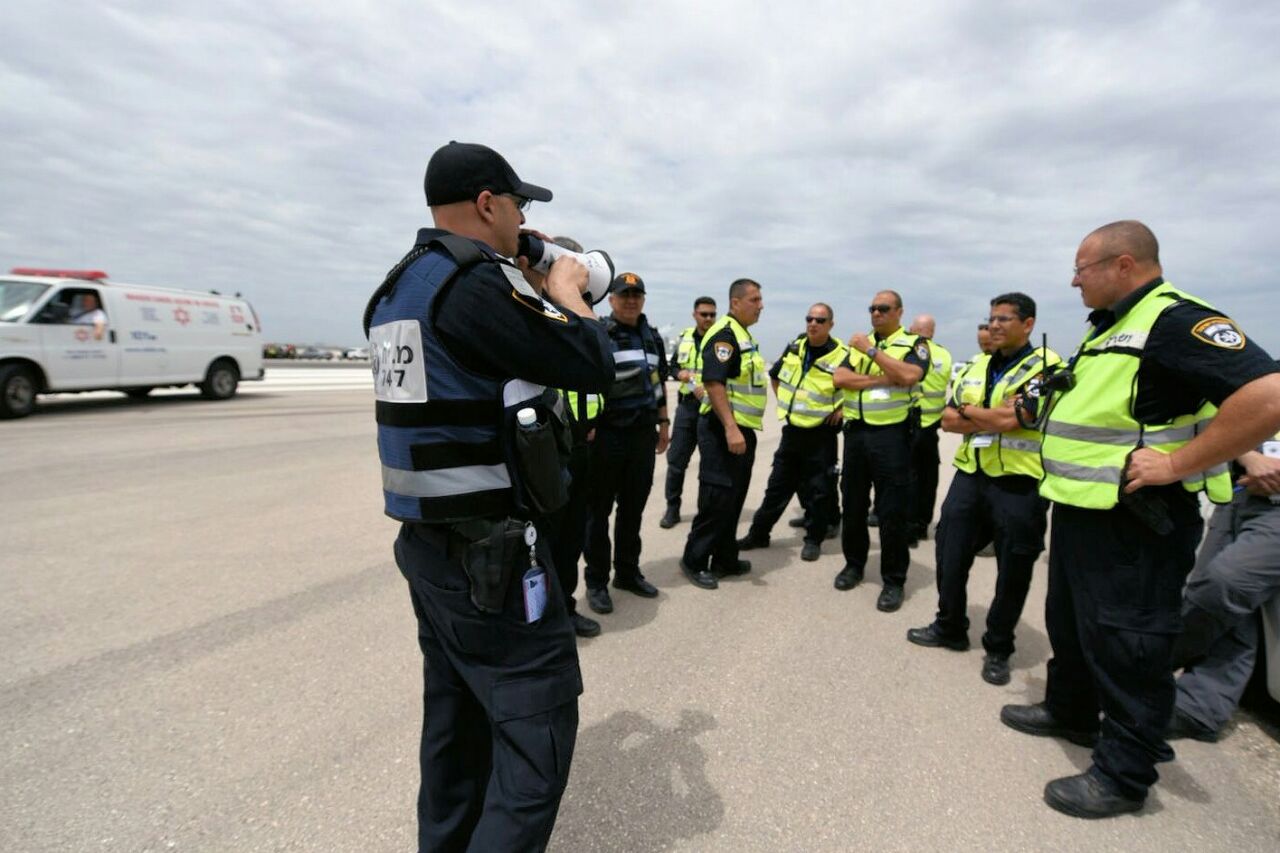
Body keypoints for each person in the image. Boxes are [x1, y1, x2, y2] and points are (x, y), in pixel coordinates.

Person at [365, 141, 615, 850]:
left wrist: (524, 268)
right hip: (492, 562)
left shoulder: (398, 288)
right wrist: (563, 288)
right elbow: (590, 362)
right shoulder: (472, 285)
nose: (522, 219)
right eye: (519, 206)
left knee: (457, 733)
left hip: (432, 549)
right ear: (487, 204)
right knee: (538, 736)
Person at [999, 220, 1280, 819]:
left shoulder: (1175, 320)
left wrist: (1177, 464)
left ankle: (1124, 777)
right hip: (1083, 510)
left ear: (1124, 265)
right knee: (1071, 625)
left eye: (1082, 269)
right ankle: (1070, 711)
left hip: (1135, 521)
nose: (1073, 281)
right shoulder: (1113, 328)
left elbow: (1269, 397)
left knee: (1129, 644)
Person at [906, 293, 1059, 686]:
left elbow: (1019, 417)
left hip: (1019, 483)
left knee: (1013, 568)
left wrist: (974, 413)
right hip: (970, 476)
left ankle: (998, 646)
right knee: (950, 550)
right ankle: (950, 625)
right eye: (991, 318)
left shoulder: (1047, 365)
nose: (994, 325)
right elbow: (947, 419)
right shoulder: (974, 366)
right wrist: (986, 416)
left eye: (1004, 319)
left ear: (1028, 324)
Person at [1167, 430, 1280, 742]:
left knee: (1225, 584)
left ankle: (1143, 666)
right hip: (1240, 491)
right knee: (1236, 614)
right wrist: (1249, 456)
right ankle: (1200, 706)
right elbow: (1234, 415)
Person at [832, 290, 928, 611]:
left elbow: (910, 375)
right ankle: (854, 565)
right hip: (856, 436)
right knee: (854, 505)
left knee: (891, 512)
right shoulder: (857, 346)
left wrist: (871, 351)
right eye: (872, 308)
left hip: (892, 437)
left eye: (883, 308)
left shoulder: (914, 344)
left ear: (899, 311)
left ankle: (893, 580)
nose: (876, 313)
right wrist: (881, 379)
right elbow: (840, 377)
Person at [583, 273, 670, 614]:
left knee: (632, 509)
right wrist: (588, 426)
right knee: (598, 513)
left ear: (643, 299)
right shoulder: (600, 334)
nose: (631, 300)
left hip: (643, 436)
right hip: (607, 436)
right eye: (625, 294)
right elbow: (587, 383)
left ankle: (628, 573)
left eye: (637, 294)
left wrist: (664, 423)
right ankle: (596, 582)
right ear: (611, 299)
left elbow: (658, 382)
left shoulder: (652, 337)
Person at [737, 303, 847, 561]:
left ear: (830, 324)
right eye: (809, 318)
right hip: (793, 431)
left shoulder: (842, 355)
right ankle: (759, 534)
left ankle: (813, 539)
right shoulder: (796, 347)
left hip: (822, 434)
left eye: (820, 320)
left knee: (819, 490)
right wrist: (785, 403)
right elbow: (775, 376)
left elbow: (857, 388)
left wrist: (842, 409)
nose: (813, 324)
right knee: (777, 486)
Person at [680, 279, 766, 589]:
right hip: (723, 430)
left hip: (741, 429)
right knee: (716, 499)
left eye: (760, 299)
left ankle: (725, 558)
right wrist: (731, 428)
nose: (761, 305)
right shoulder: (725, 335)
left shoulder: (743, 336)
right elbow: (714, 383)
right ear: (735, 303)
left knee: (733, 499)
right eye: (754, 299)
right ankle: (695, 560)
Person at [544, 235, 604, 639]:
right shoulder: (540, 310)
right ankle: (545, 618)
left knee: (572, 536)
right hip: (550, 444)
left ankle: (565, 608)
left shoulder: (583, 312)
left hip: (584, 441)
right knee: (547, 538)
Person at [661, 296, 718, 528]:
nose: (708, 318)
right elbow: (670, 367)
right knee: (676, 461)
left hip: (711, 409)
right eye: (704, 314)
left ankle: (706, 512)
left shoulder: (721, 341)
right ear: (695, 314)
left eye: (712, 315)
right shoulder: (684, 338)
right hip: (687, 407)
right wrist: (679, 374)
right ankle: (672, 508)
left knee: (710, 465)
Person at [906, 314, 953, 545]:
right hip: (931, 426)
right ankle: (921, 525)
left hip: (908, 422)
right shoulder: (944, 354)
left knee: (906, 476)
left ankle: (906, 525)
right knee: (926, 477)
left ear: (913, 330)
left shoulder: (910, 350)